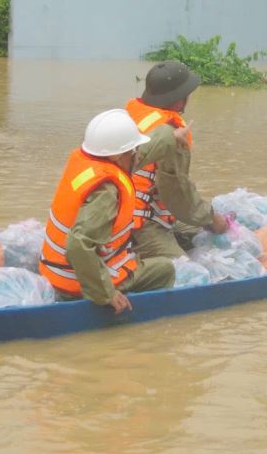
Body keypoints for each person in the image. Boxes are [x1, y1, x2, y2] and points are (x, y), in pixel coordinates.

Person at [40, 108, 176, 313]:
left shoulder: (86, 162)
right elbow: (78, 244)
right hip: (75, 284)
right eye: (133, 152)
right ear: (119, 156)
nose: (138, 156)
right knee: (165, 269)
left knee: (131, 252)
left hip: (53, 271)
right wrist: (106, 293)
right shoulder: (107, 192)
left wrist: (172, 135)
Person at [123, 60, 232, 261]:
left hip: (122, 212)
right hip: (138, 223)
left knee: (196, 231)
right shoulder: (173, 131)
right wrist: (212, 218)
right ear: (180, 99)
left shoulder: (131, 112)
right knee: (183, 270)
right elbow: (178, 192)